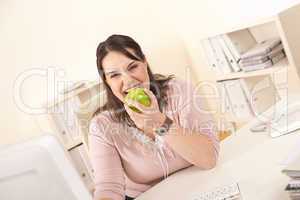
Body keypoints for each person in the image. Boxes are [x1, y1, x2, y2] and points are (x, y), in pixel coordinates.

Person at [89, 34, 220, 200]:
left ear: (145, 62)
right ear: (106, 81)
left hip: (200, 186)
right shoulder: (102, 125)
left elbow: (208, 158)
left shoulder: (178, 91)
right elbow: (108, 189)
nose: (128, 81)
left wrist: (159, 121)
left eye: (132, 67)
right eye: (115, 75)